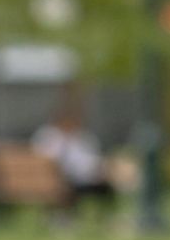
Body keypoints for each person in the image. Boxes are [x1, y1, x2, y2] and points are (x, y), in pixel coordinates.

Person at [31, 93, 117, 224]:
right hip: (62, 181)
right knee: (70, 186)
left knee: (104, 184)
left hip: (78, 180)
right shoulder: (51, 137)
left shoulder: (80, 137)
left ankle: (102, 219)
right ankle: (100, 219)